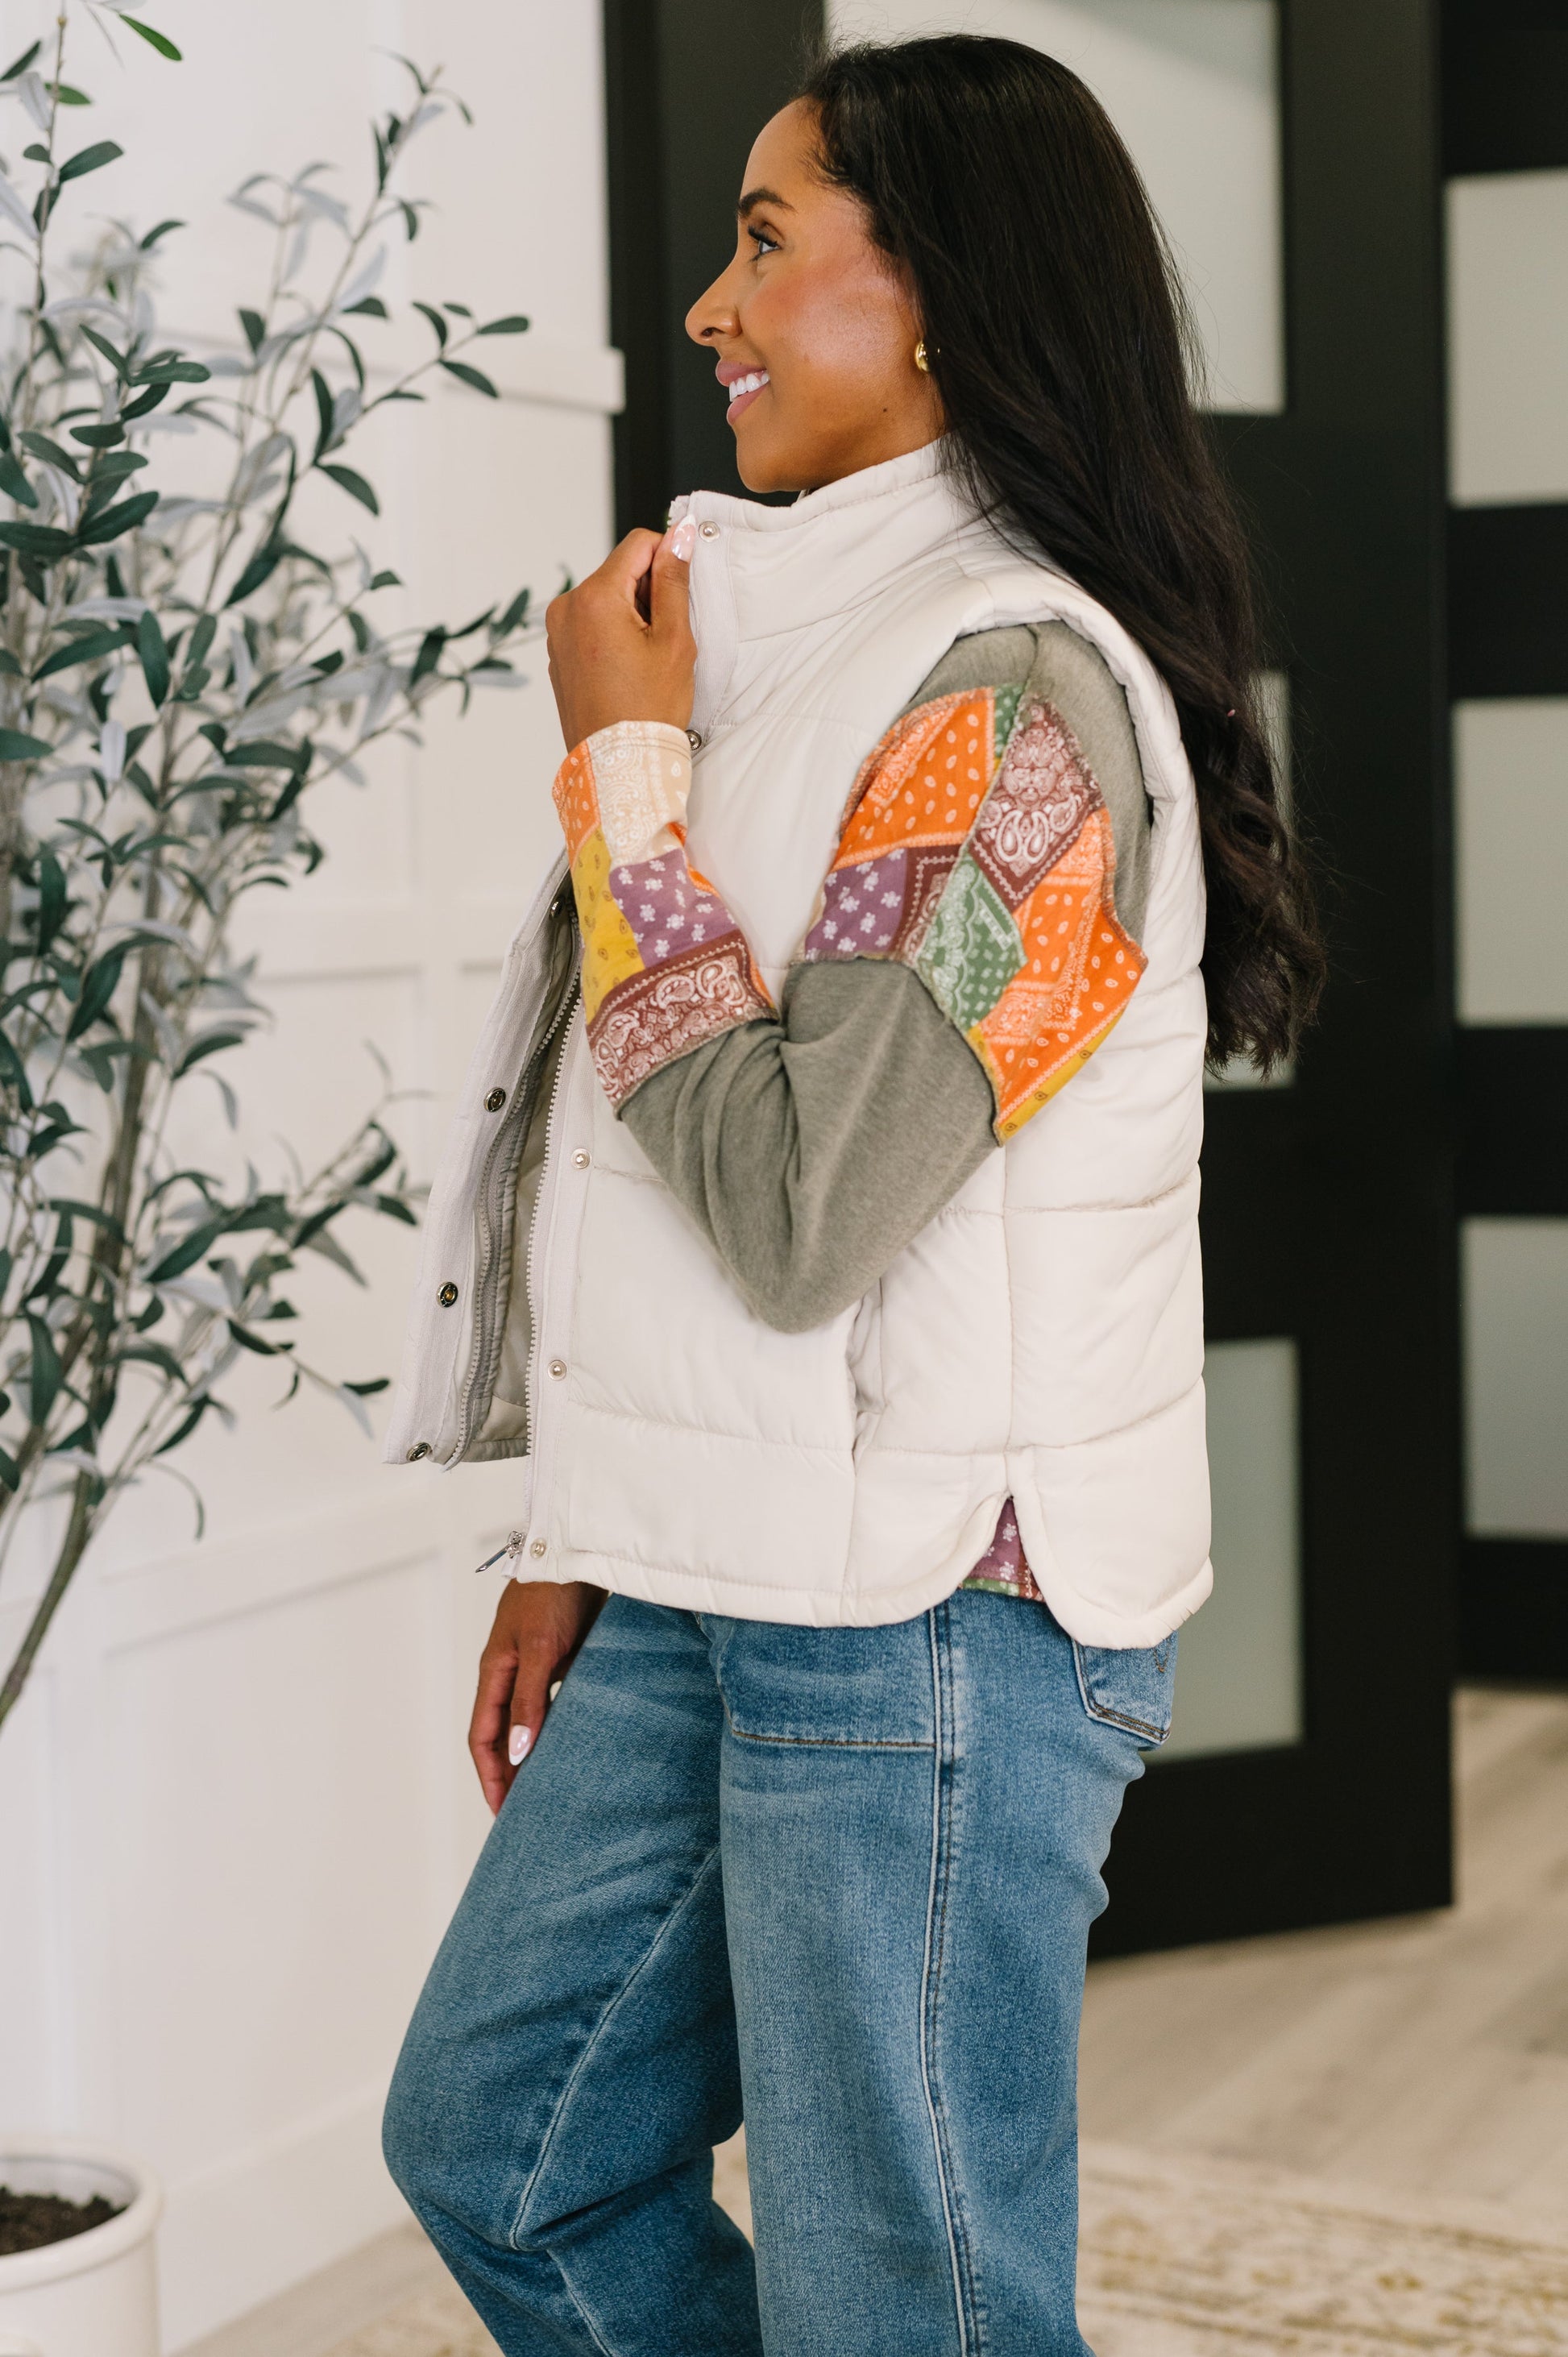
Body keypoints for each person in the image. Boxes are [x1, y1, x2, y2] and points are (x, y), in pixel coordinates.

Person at [380, 33, 1321, 2356]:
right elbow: (641, 1167)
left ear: (941, 300)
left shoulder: (1014, 719)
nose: (711, 306)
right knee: (504, 2146)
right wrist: (589, 1521)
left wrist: (623, 774)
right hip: (724, 1561)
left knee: (902, 2302)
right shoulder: (793, 648)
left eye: (766, 240)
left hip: (928, 1615)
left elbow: (801, 1200)